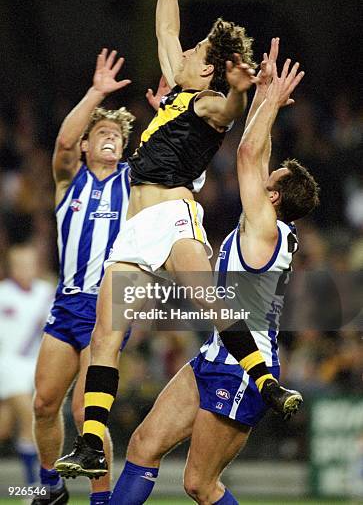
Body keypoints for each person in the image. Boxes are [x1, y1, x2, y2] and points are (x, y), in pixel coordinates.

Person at [56, 0, 302, 480]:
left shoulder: (208, 102)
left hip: (173, 216)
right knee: (105, 334)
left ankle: (266, 383)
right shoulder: (177, 95)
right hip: (134, 229)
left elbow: (230, 109)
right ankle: (93, 441)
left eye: (196, 53)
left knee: (209, 302)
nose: (185, 51)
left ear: (209, 71)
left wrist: (243, 92)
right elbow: (165, 28)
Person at [109, 50, 320, 505]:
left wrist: (264, 98)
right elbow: (257, 154)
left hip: (245, 367)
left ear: (277, 196)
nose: (262, 178)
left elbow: (247, 153)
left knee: (199, 485)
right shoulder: (265, 228)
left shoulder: (266, 229)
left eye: (272, 179)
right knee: (143, 445)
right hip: (216, 353)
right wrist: (262, 98)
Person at [31, 50, 134, 505]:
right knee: (43, 404)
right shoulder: (68, 179)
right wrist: (96, 94)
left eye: (117, 134)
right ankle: (51, 487)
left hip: (106, 308)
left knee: (84, 411)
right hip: (66, 303)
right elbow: (62, 145)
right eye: (101, 133)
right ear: (88, 146)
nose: (110, 137)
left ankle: (101, 499)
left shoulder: (133, 181)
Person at [0, 244, 53, 492]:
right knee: (29, 417)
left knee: (6, 427)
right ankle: (34, 486)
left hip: (38, 363)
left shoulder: (46, 293)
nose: (25, 269)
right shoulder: (3, 294)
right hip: (9, 363)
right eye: (20, 265)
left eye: (30, 264)